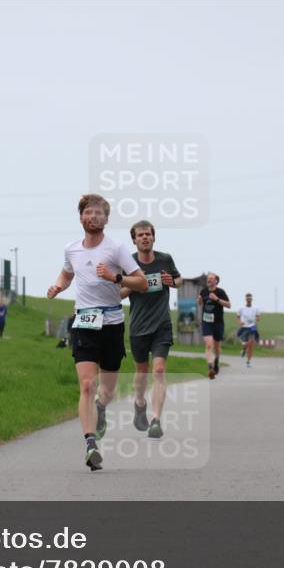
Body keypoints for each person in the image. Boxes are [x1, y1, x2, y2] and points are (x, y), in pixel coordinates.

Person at [47, 194, 146, 471]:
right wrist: (58, 286)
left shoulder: (117, 249)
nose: (93, 217)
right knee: (87, 385)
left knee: (107, 390)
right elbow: (67, 274)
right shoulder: (71, 249)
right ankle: (90, 443)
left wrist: (115, 277)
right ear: (80, 217)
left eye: (99, 213)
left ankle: (101, 408)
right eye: (88, 212)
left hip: (112, 323)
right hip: (84, 322)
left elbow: (140, 283)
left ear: (106, 219)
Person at [119, 220, 181, 439]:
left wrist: (171, 282)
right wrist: (136, 283)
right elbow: (119, 292)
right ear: (134, 240)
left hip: (162, 324)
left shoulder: (165, 259)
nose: (144, 237)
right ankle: (139, 403)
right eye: (140, 235)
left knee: (159, 370)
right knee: (142, 372)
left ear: (154, 237)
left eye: (148, 234)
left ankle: (156, 419)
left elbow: (178, 280)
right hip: (138, 326)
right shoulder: (129, 263)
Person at [197, 273, 231, 379]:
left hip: (218, 322)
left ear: (216, 281)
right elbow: (201, 304)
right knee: (208, 345)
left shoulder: (220, 292)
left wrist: (217, 299)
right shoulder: (203, 291)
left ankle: (216, 362)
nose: (209, 280)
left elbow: (229, 305)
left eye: (211, 279)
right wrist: (199, 302)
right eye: (208, 279)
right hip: (206, 322)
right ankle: (210, 368)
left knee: (217, 347)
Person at [236, 293, 261, 368]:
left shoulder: (256, 308)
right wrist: (240, 322)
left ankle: (248, 361)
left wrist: (257, 319)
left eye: (250, 298)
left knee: (251, 344)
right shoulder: (241, 308)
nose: (249, 300)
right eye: (247, 299)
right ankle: (243, 350)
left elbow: (258, 317)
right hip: (244, 327)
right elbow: (237, 317)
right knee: (245, 344)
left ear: (252, 299)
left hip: (252, 327)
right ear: (246, 299)